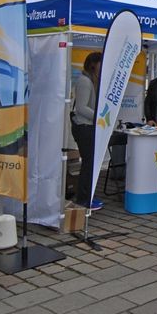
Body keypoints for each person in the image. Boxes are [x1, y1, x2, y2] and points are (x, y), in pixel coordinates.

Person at [71, 52, 103, 210]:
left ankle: (87, 195)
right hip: (84, 127)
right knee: (88, 163)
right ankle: (83, 198)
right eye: (100, 63)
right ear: (93, 64)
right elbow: (81, 108)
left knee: (90, 163)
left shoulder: (91, 80)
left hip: (88, 126)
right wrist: (100, 117)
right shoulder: (85, 81)